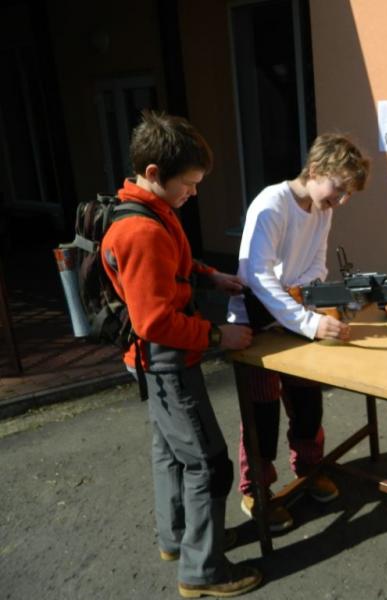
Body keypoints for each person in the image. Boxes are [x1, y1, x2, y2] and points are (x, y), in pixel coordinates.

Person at [101, 111, 261, 598]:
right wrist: (218, 335)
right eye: (188, 184)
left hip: (150, 360)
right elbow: (154, 322)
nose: (193, 193)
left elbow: (176, 262)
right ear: (154, 173)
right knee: (208, 463)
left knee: (171, 453)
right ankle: (203, 570)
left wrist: (211, 276)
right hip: (167, 363)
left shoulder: (150, 210)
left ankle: (178, 539)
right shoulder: (142, 231)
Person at [227, 133, 370, 531]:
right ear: (316, 170)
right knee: (262, 410)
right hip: (255, 320)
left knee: (307, 400)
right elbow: (258, 276)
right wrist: (309, 321)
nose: (342, 200)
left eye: (347, 194)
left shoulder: (322, 210)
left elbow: (316, 265)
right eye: (339, 188)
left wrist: (311, 306)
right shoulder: (272, 205)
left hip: (293, 315)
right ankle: (257, 490)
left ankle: (309, 468)